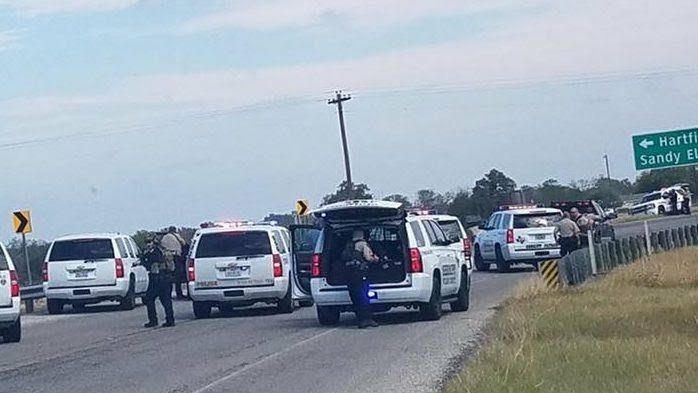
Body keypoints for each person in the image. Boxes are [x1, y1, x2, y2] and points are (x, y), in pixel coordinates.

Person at [342, 229, 381, 329]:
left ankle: (360, 319)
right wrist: (376, 259)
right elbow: (368, 258)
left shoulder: (348, 244)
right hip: (360, 273)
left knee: (355, 297)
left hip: (349, 274)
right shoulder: (363, 244)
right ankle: (367, 319)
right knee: (364, 296)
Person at [143, 236, 176, 328]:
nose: (148, 244)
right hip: (167, 278)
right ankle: (170, 320)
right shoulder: (163, 251)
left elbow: (149, 262)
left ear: (154, 243)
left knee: (149, 299)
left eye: (149, 242)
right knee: (166, 300)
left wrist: (144, 259)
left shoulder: (154, 252)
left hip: (157, 278)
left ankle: (153, 320)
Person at [161, 227, 187, 299]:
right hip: (176, 257)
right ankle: (179, 293)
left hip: (167, 258)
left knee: (169, 276)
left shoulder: (164, 237)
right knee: (178, 276)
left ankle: (167, 294)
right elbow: (183, 243)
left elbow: (162, 245)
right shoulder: (177, 236)